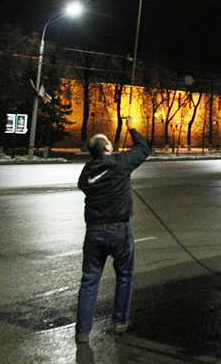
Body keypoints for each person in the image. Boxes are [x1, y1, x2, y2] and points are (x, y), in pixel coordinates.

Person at [75, 117, 151, 344]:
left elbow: (84, 186)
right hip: (119, 230)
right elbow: (144, 148)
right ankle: (119, 321)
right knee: (125, 275)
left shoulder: (87, 173)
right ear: (107, 148)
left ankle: (82, 332)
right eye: (108, 141)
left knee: (89, 280)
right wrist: (132, 128)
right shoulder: (120, 163)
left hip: (94, 232)